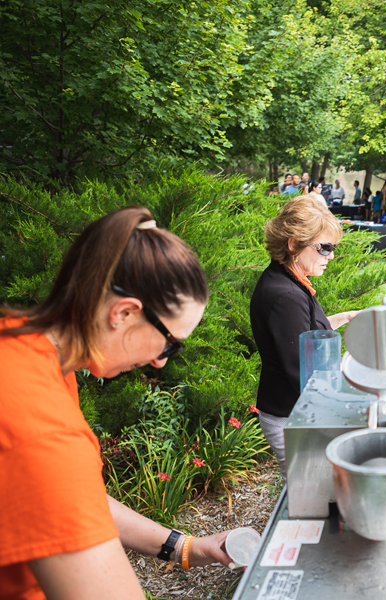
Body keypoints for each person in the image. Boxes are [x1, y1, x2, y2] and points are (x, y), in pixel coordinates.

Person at [0, 207, 236, 599]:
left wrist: (186, 548)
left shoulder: (23, 349)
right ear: (123, 313)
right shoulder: (45, 429)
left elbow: (70, 498)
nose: (161, 361)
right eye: (171, 344)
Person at [250, 198, 359, 478]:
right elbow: (303, 372)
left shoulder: (288, 280)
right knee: (310, 492)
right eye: (325, 247)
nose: (331, 256)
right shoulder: (286, 295)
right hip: (292, 417)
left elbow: (308, 336)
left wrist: (345, 317)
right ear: (293, 243)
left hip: (294, 412)